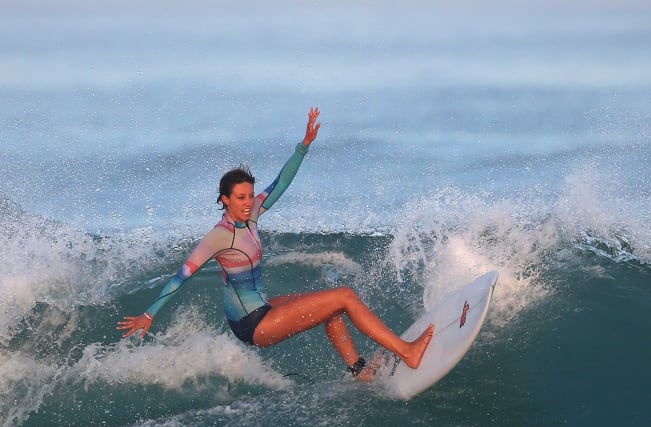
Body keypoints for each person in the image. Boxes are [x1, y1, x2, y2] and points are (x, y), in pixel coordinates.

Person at [118, 108, 434, 377]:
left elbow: (281, 182)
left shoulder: (252, 212)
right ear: (225, 199)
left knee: (331, 308)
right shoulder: (219, 236)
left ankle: (360, 372)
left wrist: (304, 146)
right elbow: (181, 276)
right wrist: (149, 314)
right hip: (253, 324)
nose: (247, 202)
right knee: (345, 296)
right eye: (239, 197)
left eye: (249, 195)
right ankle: (407, 353)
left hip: (261, 309)